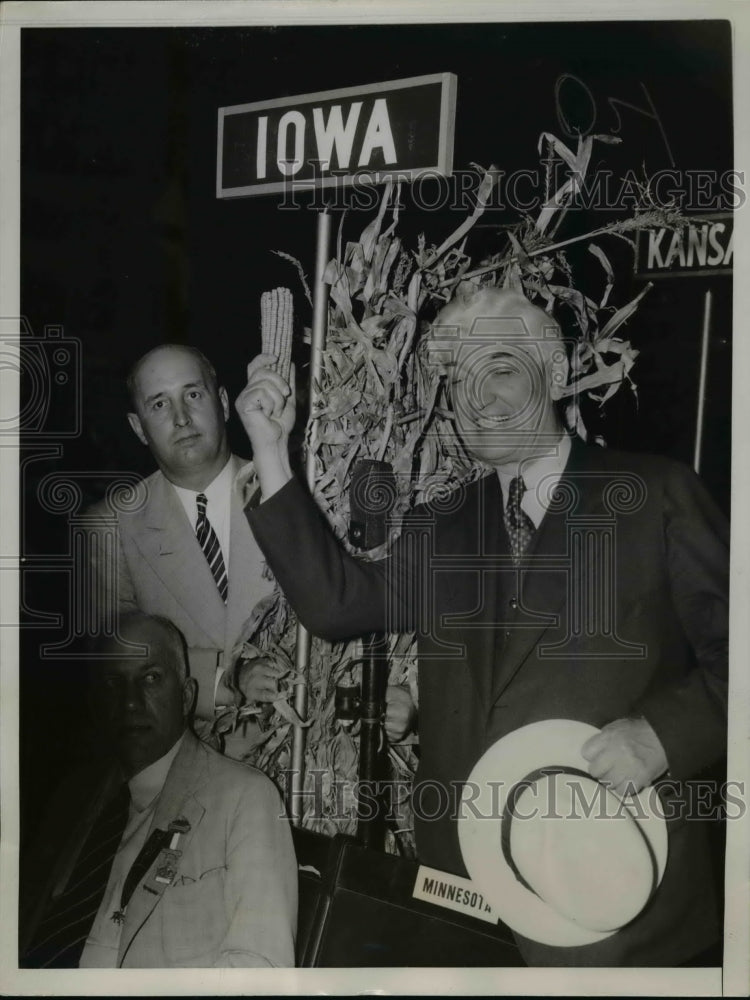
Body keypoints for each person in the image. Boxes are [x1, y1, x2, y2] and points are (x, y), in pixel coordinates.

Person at [233, 288, 729, 967]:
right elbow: (337, 606)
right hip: (471, 906)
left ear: (554, 375)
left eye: (498, 369)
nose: (477, 401)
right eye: (458, 383)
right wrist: (269, 449)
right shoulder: (444, 523)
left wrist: (665, 735)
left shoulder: (655, 494)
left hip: (621, 907)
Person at [87, 343, 411, 750]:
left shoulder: (297, 493)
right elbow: (114, 657)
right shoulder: (108, 526)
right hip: (184, 767)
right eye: (158, 404)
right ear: (138, 427)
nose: (181, 418)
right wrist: (226, 677)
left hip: (307, 754)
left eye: (193, 394)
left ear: (223, 402)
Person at [20, 612, 297, 968]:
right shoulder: (72, 798)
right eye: (112, 683)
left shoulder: (246, 798)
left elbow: (260, 970)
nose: (130, 701)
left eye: (151, 678)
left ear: (186, 697)